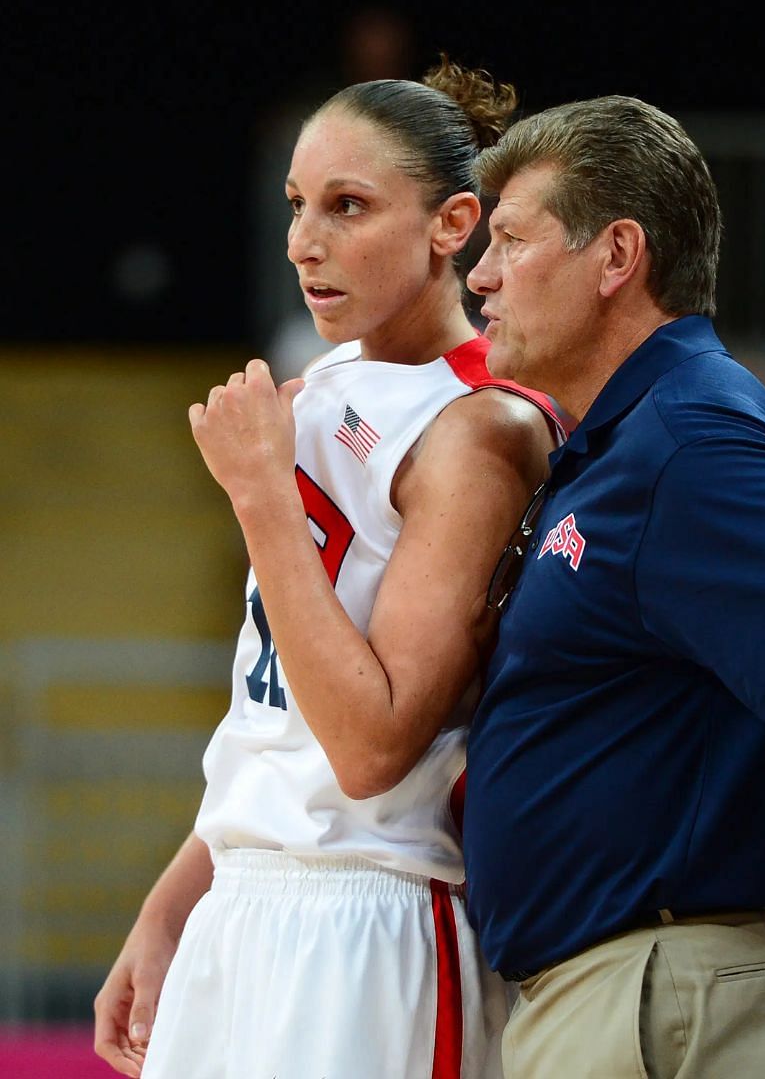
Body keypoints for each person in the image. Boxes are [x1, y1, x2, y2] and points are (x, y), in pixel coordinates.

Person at [92, 60, 563, 1079]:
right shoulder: (313, 390)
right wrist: (174, 902)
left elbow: (369, 752)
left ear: (452, 226)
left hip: (376, 908)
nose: (306, 240)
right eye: (299, 205)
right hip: (242, 899)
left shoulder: (479, 427)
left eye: (349, 206)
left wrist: (261, 499)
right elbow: (276, 721)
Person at [459, 96, 765, 1079]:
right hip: (637, 991)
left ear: (615, 256)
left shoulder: (693, 438)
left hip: (663, 996)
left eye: (509, 239)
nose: (480, 277)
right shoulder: (633, 439)